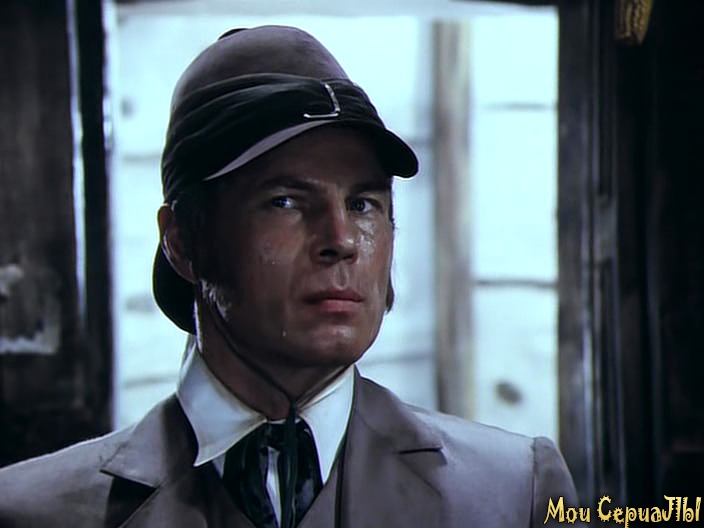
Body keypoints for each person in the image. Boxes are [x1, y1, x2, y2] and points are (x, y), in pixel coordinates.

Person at [0, 25, 583, 527]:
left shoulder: (516, 492)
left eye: (363, 204)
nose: (341, 240)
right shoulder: (31, 512)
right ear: (182, 242)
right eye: (284, 202)